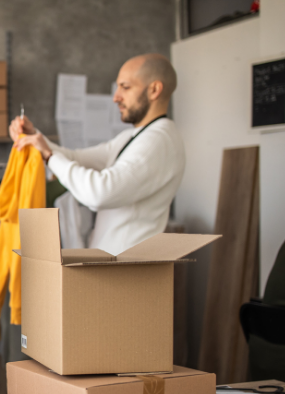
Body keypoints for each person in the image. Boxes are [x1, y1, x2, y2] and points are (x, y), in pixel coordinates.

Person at [10, 53, 184, 255]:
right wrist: (34, 137)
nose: (116, 97)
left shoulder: (158, 141)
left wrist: (49, 156)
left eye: (125, 87)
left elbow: (99, 193)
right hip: (114, 266)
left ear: (154, 90)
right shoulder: (134, 137)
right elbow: (76, 158)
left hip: (128, 271)